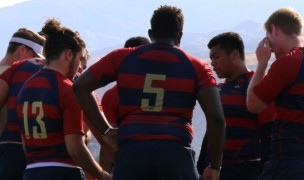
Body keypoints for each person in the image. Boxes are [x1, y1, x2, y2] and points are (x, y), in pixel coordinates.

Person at [74, 5, 225, 180]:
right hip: (175, 153)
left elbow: (80, 86)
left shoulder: (121, 57)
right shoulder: (197, 66)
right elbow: (216, 117)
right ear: (180, 36)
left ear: (151, 33)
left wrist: (105, 131)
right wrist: (215, 165)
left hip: (132, 153)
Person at [16, 18, 111, 180]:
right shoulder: (68, 89)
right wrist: (102, 175)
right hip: (63, 171)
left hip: (31, 171)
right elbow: (75, 148)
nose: (80, 67)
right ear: (68, 54)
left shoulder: (26, 88)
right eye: (80, 59)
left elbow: (25, 143)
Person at [196, 32, 276, 180]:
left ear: (234, 54)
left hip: (245, 169)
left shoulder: (256, 86)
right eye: (211, 58)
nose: (212, 63)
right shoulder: (217, 89)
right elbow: (212, 129)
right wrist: (201, 166)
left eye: (216, 57)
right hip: (213, 170)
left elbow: (268, 130)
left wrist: (265, 171)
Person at [246, 8, 304, 179]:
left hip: (289, 158)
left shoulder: (288, 62)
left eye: (268, 38)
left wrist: (262, 64)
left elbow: (253, 104)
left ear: (275, 29)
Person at [99, 36, 150, 173]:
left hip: (127, 162)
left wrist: (104, 174)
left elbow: (108, 141)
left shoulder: (113, 95)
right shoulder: (168, 87)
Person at [0, 28, 45, 180]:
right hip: (14, 151)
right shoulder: (19, 75)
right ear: (22, 49)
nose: (35, 63)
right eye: (34, 56)